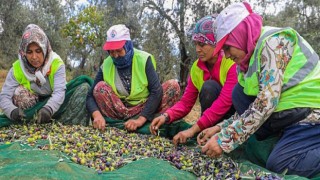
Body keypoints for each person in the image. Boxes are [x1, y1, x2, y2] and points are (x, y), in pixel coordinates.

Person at [197, 2, 320, 178]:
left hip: (311, 111)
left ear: (239, 34)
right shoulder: (246, 61)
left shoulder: (273, 43)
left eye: (227, 47)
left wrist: (225, 140)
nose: (227, 55)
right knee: (239, 93)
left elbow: (267, 101)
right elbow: (249, 107)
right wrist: (219, 128)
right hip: (291, 112)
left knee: (280, 164)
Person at [150, 15, 237, 145]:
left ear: (216, 42)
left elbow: (223, 102)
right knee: (209, 88)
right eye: (196, 44)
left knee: (209, 87)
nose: (197, 49)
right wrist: (166, 116)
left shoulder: (230, 62)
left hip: (233, 116)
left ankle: (216, 132)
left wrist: (192, 130)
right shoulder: (197, 67)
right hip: (210, 117)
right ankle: (206, 133)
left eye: (202, 44)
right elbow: (186, 103)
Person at [86, 24, 180, 132]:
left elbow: (156, 91)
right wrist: (97, 116)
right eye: (111, 51)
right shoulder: (107, 64)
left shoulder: (143, 59)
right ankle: (123, 123)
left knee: (173, 86)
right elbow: (90, 95)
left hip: (145, 108)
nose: (115, 56)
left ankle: (148, 120)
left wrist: (140, 120)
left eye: (119, 50)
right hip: (120, 111)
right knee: (99, 88)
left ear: (128, 45)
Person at [0, 24, 91, 126]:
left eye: (38, 51)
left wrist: (48, 109)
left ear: (45, 49)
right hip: (33, 103)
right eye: (29, 52)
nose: (34, 57)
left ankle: (54, 118)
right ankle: (28, 120)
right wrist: (12, 111)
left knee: (84, 88)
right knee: (19, 94)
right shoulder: (17, 68)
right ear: (23, 53)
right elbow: (4, 96)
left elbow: (59, 92)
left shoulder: (56, 63)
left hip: (56, 102)